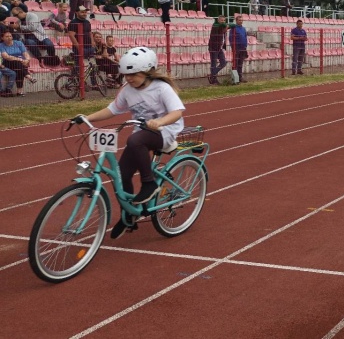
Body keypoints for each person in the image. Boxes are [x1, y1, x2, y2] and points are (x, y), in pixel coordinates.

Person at [73, 46, 185, 239]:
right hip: (141, 135)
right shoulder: (127, 90)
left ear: (147, 71)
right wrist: (85, 117)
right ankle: (129, 216)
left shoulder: (161, 88)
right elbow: (112, 110)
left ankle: (149, 184)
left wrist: (159, 122)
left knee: (134, 139)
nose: (129, 78)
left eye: (133, 74)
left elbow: (177, 112)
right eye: (126, 75)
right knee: (121, 174)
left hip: (164, 131)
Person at [0, 30, 34, 97]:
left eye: (10, 36)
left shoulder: (19, 43)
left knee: (20, 68)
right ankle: (27, 76)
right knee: (19, 64)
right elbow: (6, 56)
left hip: (20, 63)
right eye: (6, 36)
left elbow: (26, 54)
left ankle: (19, 91)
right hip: (8, 62)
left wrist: (27, 60)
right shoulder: (1, 45)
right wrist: (20, 59)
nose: (9, 38)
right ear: (2, 38)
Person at [207, 15, 228, 84]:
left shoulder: (222, 28)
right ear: (218, 20)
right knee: (214, 63)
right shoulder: (215, 26)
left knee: (223, 63)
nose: (223, 22)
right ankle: (213, 79)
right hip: (213, 47)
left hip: (219, 47)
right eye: (222, 20)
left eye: (224, 20)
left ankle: (212, 75)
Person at [228, 14, 248, 83]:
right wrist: (233, 47)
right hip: (236, 48)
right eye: (239, 20)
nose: (241, 21)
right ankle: (235, 78)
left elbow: (245, 37)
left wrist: (245, 45)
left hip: (243, 48)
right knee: (235, 63)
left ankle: (240, 77)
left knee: (240, 64)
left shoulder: (243, 29)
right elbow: (230, 38)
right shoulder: (233, 28)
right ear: (236, 21)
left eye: (242, 20)